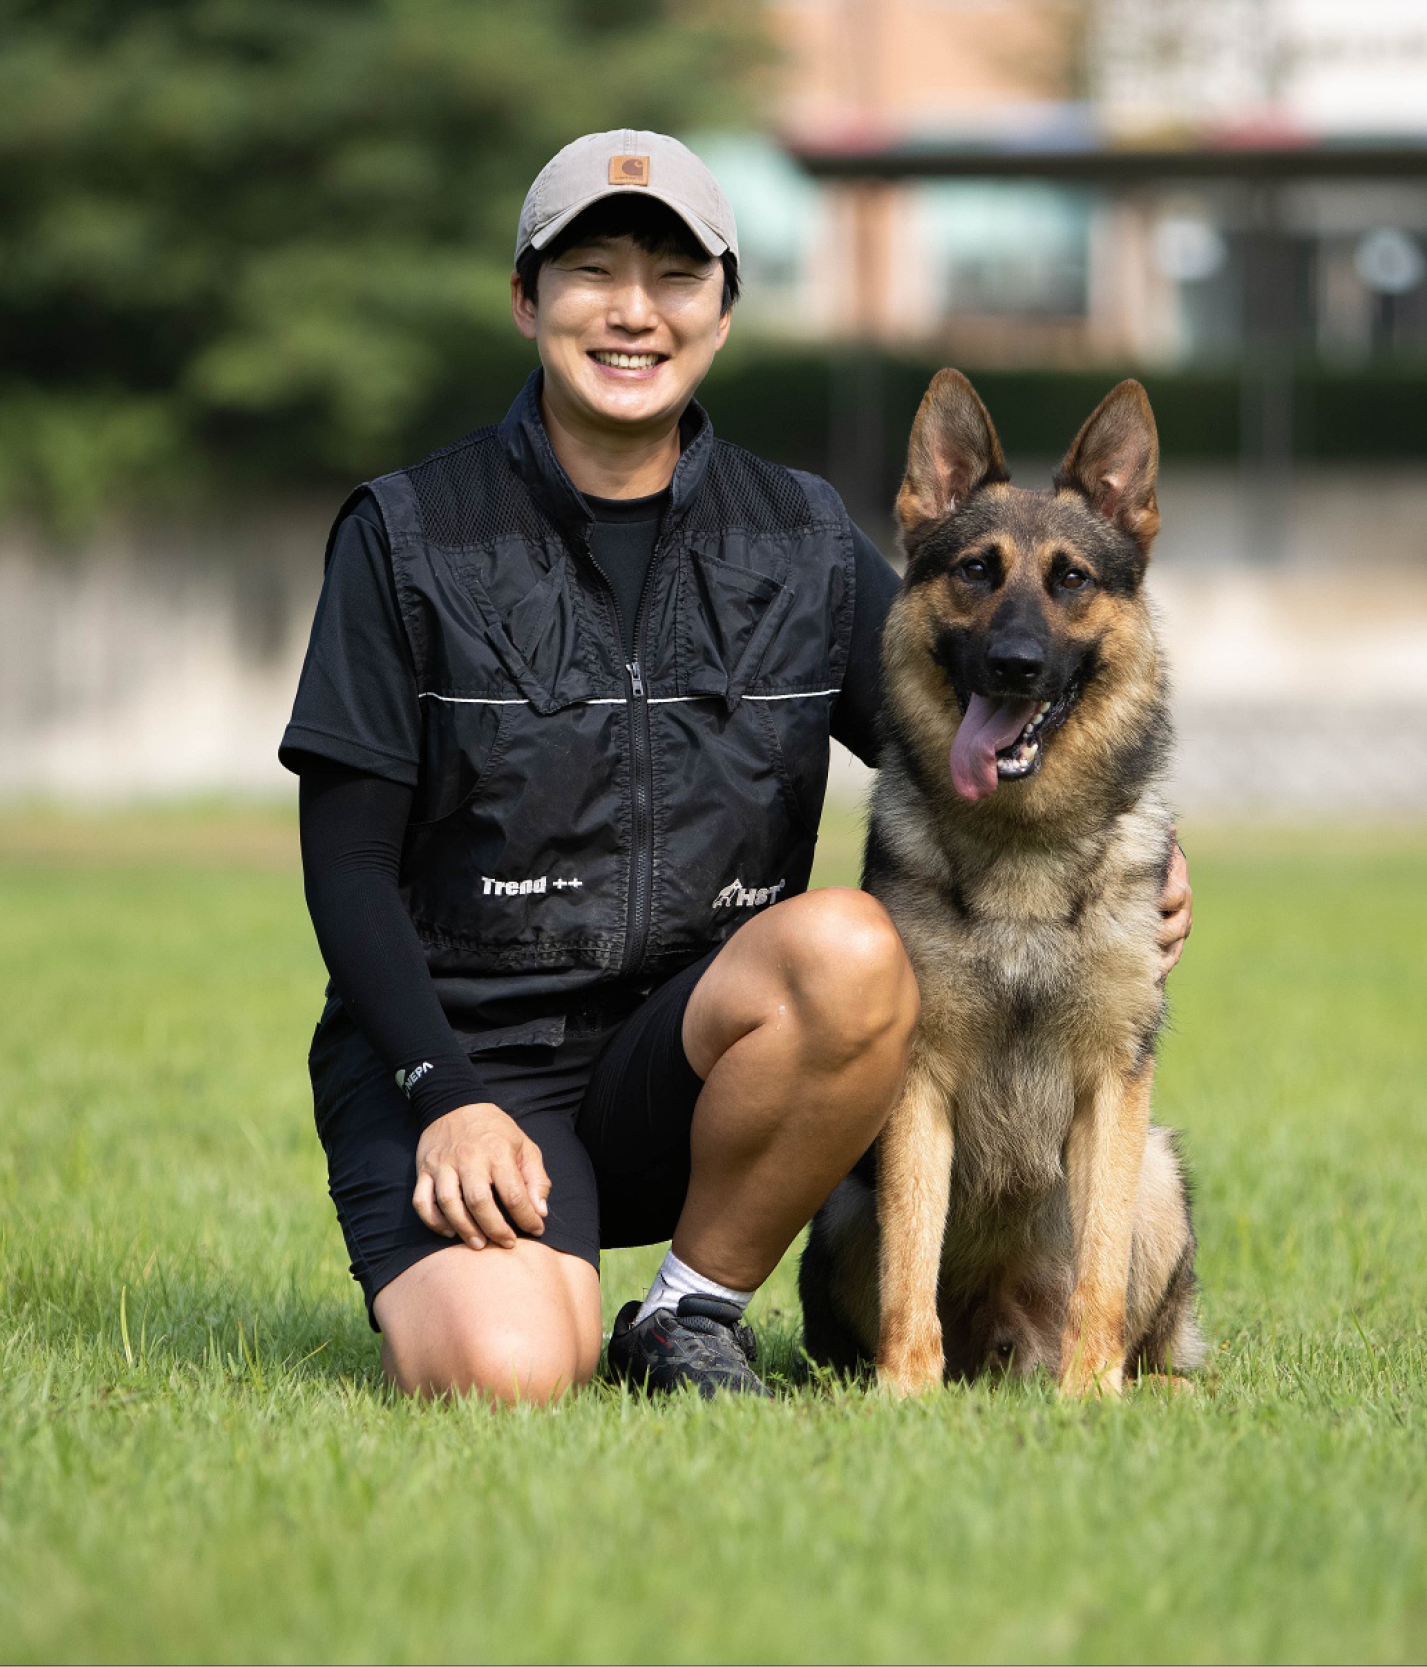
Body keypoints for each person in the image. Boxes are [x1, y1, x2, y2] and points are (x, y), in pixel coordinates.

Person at [281, 130, 1193, 1405]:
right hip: (469, 1055)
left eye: (674, 277)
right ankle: (531, 1266)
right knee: (506, 1371)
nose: (632, 312)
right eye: (591, 270)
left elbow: (980, 729)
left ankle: (691, 1312)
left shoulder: (801, 539)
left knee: (855, 948)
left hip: (699, 1060)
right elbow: (347, 864)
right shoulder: (409, 535)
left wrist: (1149, 854)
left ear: (721, 309)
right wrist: (439, 1090)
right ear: (526, 299)